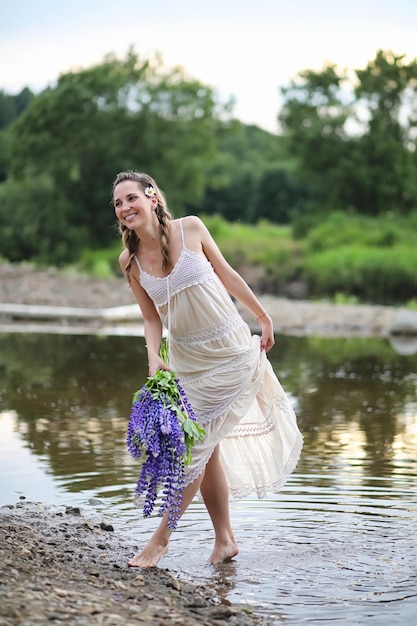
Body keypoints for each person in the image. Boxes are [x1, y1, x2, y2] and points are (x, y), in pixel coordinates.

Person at [113, 170, 303, 568]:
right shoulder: (129, 261)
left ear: (152, 198)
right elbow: (151, 319)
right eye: (118, 203)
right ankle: (225, 541)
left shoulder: (191, 229)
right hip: (187, 365)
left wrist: (263, 316)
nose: (125, 208)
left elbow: (227, 273)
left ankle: (160, 542)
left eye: (131, 198)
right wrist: (153, 357)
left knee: (191, 451)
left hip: (230, 354)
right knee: (206, 451)